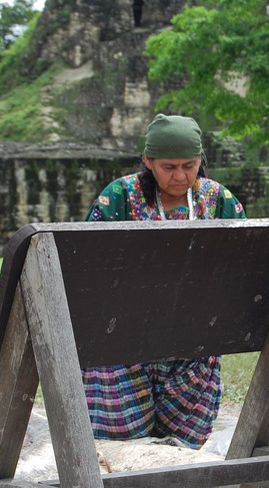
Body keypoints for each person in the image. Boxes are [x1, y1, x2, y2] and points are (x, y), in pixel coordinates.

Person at [81, 114, 246, 449]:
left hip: (192, 347)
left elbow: (242, 267)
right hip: (121, 344)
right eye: (169, 167)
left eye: (190, 165)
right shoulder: (119, 198)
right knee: (123, 448)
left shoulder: (218, 199)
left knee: (178, 447)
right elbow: (88, 268)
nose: (181, 176)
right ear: (147, 161)